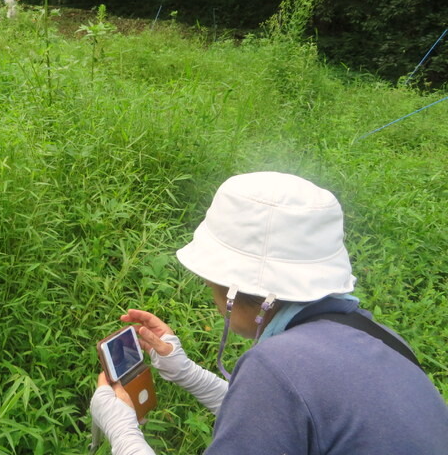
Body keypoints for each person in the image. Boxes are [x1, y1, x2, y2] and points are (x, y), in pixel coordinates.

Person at [90, 171, 448, 454]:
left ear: (231, 291)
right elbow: (285, 419)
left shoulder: (275, 366)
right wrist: (186, 372)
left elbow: (282, 400)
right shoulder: (379, 337)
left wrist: (122, 430)